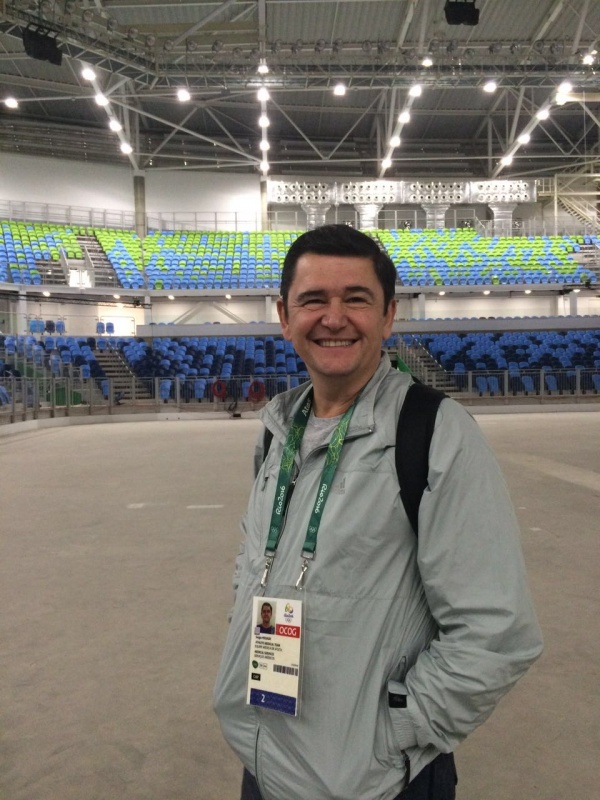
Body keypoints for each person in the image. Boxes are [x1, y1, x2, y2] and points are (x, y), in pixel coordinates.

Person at [214, 224, 543, 800]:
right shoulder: (276, 431)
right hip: (265, 761)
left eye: (356, 299)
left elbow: (497, 631)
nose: (333, 318)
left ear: (388, 316)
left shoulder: (434, 433)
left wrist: (394, 735)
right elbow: (253, 562)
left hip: (374, 781)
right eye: (313, 300)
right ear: (284, 315)